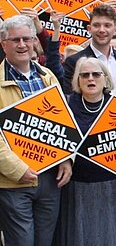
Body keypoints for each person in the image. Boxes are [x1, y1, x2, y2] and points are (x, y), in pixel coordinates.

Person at [55, 57, 116, 246]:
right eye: (85, 75)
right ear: (77, 80)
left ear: (105, 78)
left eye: (95, 74)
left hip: (113, 188)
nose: (90, 79)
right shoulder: (66, 107)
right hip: (77, 188)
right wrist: (65, 159)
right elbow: (59, 143)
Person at [0, 15, 72, 246]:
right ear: (3, 44)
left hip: (50, 180)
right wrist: (18, 169)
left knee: (45, 242)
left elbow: (61, 123)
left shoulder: (47, 76)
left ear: (34, 41)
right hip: (14, 183)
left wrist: (66, 159)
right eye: (15, 40)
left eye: (26, 39)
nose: (22, 45)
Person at [63, 4, 116, 95]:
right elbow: (71, 97)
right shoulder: (74, 61)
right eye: (96, 25)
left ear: (115, 30)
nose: (102, 30)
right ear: (89, 29)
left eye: (107, 25)